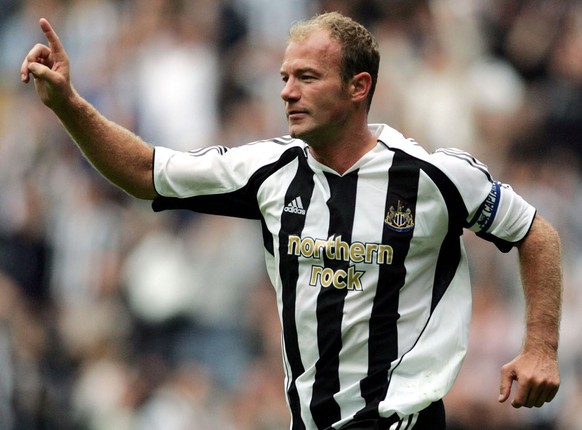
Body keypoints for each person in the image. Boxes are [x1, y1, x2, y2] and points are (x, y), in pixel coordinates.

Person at [21, 11, 562, 430]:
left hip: (404, 420)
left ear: (359, 87)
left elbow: (536, 233)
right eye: (284, 77)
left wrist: (540, 346)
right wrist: (68, 104)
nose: (287, 91)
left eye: (307, 77)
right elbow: (145, 171)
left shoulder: (435, 177)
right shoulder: (267, 170)